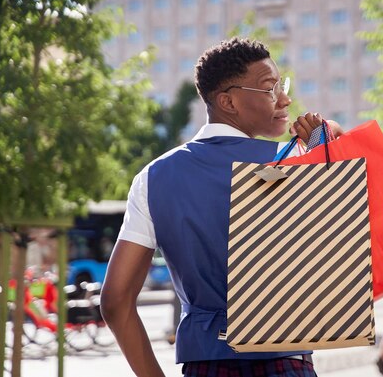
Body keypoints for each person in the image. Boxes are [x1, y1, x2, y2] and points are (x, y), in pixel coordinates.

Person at [100, 38, 342, 377]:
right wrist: (324, 143)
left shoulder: (153, 178)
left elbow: (114, 303)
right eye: (270, 88)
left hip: (205, 363)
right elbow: (350, 238)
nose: (285, 99)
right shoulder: (296, 163)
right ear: (228, 101)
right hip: (285, 362)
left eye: (281, 85)